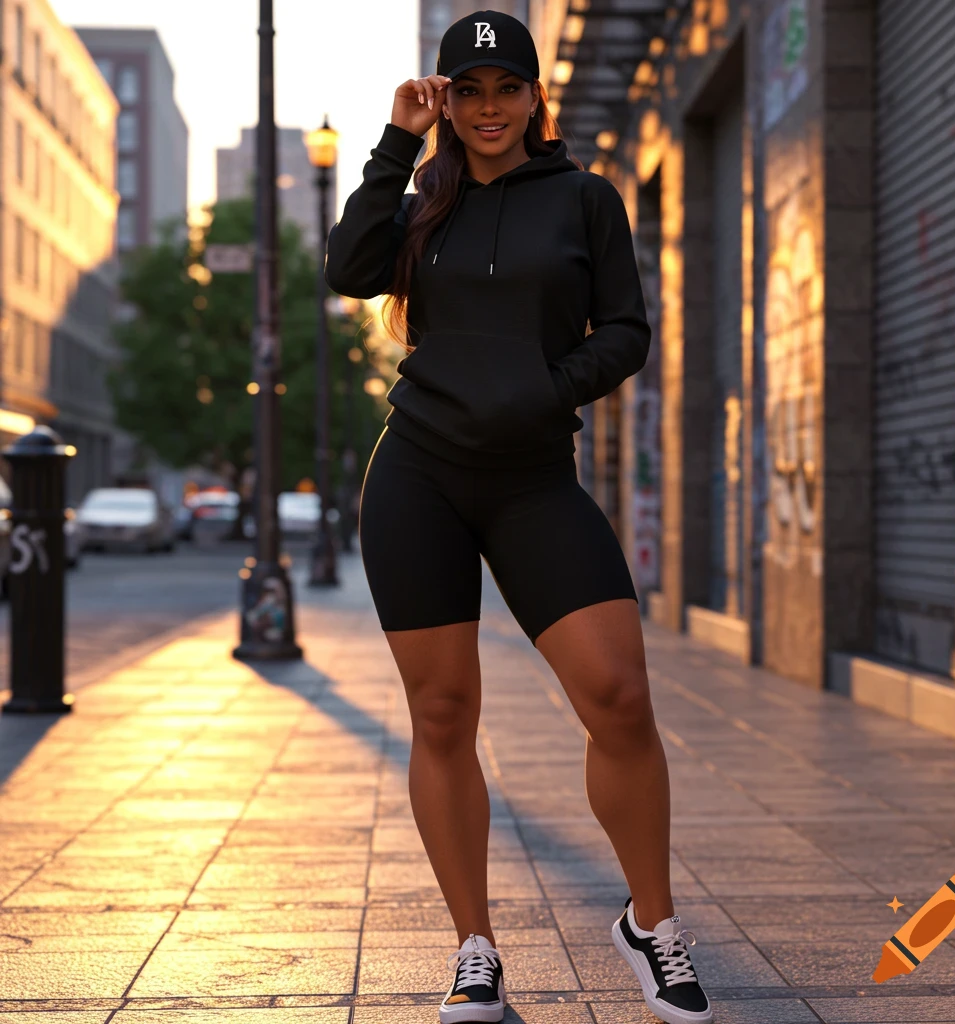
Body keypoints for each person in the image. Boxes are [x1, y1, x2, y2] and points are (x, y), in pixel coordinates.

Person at [325, 10, 713, 1024]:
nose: (490, 108)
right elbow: (346, 268)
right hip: (419, 476)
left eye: (508, 88)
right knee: (444, 713)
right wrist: (396, 139)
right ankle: (474, 951)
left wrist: (547, 392)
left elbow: (624, 330)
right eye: (470, 91)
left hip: (535, 477)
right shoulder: (421, 202)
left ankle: (652, 922)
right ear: (449, 100)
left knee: (617, 696)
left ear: (534, 97)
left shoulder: (585, 199)